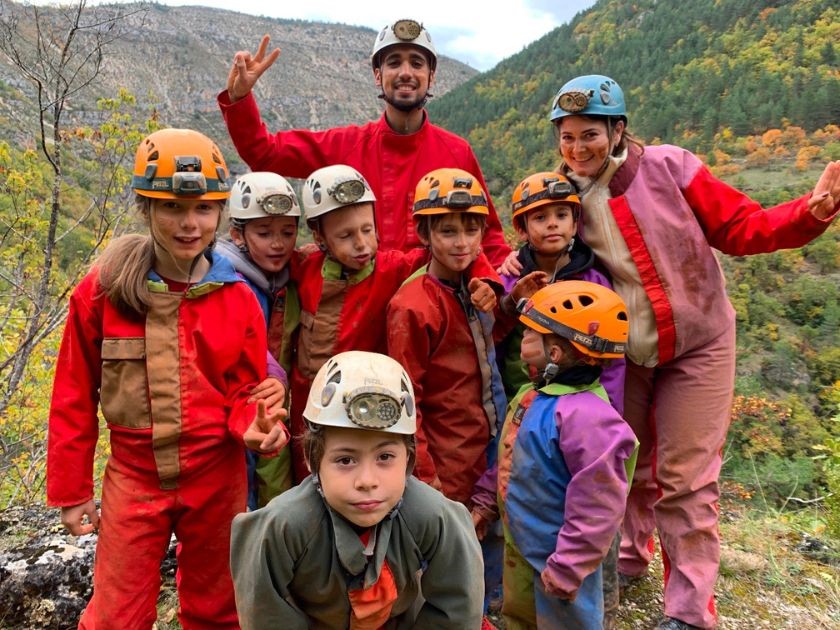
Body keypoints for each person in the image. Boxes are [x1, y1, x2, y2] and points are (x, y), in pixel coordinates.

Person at [503, 74, 840, 629]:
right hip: (617, 351)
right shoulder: (561, 196)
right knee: (626, 461)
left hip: (698, 343)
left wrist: (811, 211)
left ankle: (688, 612)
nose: (577, 148)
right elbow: (532, 247)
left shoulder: (669, 167)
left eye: (589, 134)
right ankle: (632, 558)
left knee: (685, 479)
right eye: (566, 137)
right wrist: (507, 273)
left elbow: (741, 226)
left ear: (618, 129)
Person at [46, 128, 289, 628]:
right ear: (146, 208)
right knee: (115, 615)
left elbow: (245, 389)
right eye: (172, 208)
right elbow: (73, 391)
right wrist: (72, 492)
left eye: (203, 209)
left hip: (217, 475)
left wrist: (256, 427)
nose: (189, 223)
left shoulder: (238, 297)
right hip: (134, 477)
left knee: (219, 610)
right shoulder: (104, 290)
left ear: (220, 214)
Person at [218, 19, 511, 266]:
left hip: (434, 317)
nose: (405, 72)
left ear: (431, 76)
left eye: (417, 63)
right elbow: (266, 154)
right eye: (394, 62)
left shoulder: (457, 152)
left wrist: (509, 290)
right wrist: (240, 99)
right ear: (377, 75)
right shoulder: (346, 146)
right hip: (360, 318)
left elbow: (489, 237)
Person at [230, 350, 485, 629]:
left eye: (385, 457)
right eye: (345, 460)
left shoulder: (435, 517)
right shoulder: (283, 526)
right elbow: (265, 614)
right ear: (313, 461)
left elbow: (458, 608)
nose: (367, 480)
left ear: (409, 460)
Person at [288, 164, 497, 484]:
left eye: (367, 230)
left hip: (366, 409)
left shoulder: (392, 267)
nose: (361, 244)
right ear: (319, 237)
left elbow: (456, 253)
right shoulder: (303, 269)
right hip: (308, 413)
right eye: (345, 236)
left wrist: (487, 281)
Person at [472, 281, 637, 629]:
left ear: (556, 353)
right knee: (520, 617)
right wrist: (486, 502)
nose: (523, 339)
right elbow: (511, 457)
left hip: (563, 561)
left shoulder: (589, 420)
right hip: (525, 547)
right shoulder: (534, 397)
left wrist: (569, 566)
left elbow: (597, 505)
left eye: (531, 334)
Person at [217, 171, 302, 506]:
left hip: (266, 405)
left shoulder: (282, 275)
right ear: (238, 233)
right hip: (236, 404)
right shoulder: (223, 275)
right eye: (264, 233)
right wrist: (273, 374)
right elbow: (237, 330)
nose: (278, 243)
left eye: (288, 232)